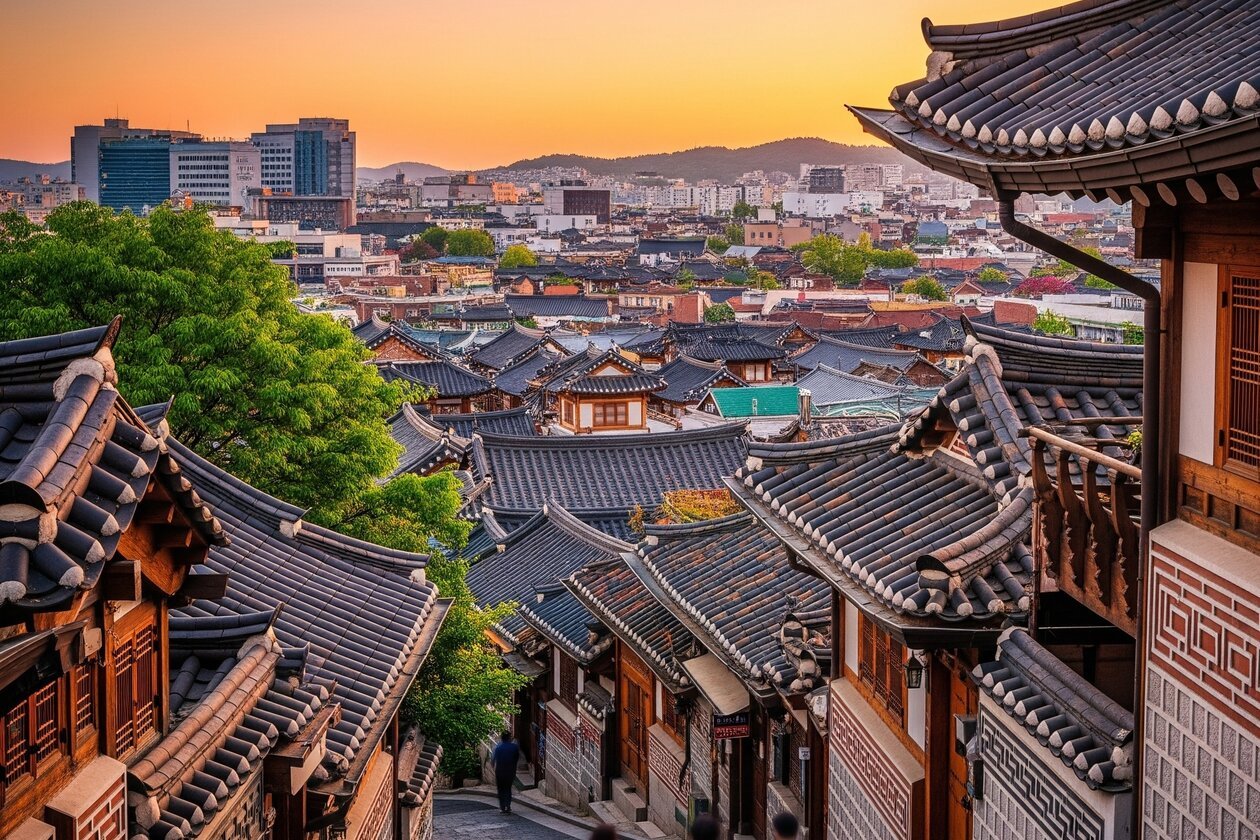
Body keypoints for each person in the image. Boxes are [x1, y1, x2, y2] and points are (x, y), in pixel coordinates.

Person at [490, 731, 520, 814]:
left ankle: (502, 806)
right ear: (509, 738)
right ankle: (508, 805)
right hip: (510, 771)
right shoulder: (514, 747)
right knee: (508, 788)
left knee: (501, 789)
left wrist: (493, 766)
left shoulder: (498, 747)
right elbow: (516, 758)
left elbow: (492, 760)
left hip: (500, 771)